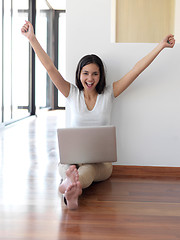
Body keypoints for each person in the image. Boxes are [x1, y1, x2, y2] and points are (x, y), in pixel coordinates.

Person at [21, 20, 175, 210]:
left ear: (101, 75)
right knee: (66, 166)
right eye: (86, 73)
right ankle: (74, 189)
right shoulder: (71, 94)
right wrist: (32, 38)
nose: (90, 79)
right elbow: (50, 68)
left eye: (95, 74)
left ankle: (70, 184)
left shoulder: (109, 94)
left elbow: (136, 70)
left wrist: (160, 46)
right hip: (73, 159)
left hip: (100, 163)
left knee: (88, 170)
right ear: (79, 74)